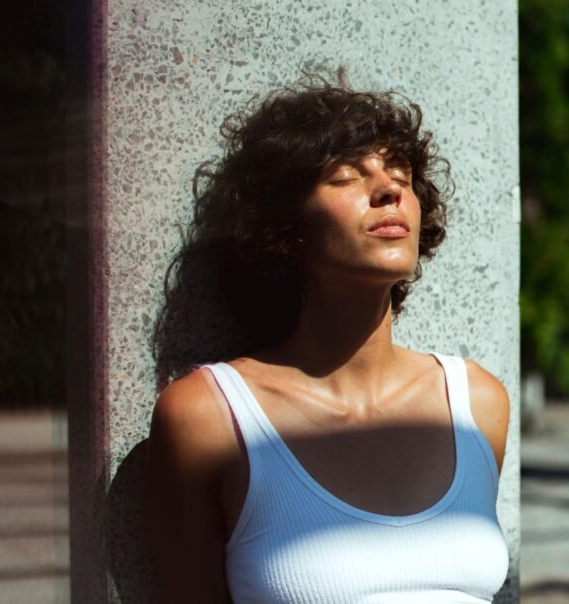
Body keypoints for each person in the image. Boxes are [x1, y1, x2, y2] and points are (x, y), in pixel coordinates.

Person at [147, 71, 511, 603]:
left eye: (401, 175)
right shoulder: (208, 417)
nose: (389, 190)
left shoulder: (477, 403)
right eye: (346, 177)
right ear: (285, 223)